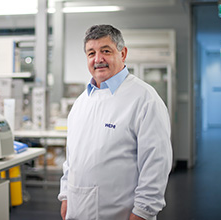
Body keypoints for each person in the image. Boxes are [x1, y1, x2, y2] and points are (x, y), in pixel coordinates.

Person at [58, 24, 172, 220]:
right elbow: (72, 159)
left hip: (121, 215)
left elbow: (156, 163)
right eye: (91, 53)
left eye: (106, 51)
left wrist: (143, 212)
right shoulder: (80, 103)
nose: (98, 59)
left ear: (123, 53)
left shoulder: (144, 99)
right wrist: (66, 195)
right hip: (77, 210)